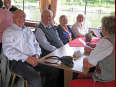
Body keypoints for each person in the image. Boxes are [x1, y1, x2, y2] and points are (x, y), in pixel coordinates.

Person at [69, 16, 115, 87]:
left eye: (102, 26)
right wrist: (92, 50)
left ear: (105, 28)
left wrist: (83, 58)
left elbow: (87, 64)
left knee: (73, 82)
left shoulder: (105, 42)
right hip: (111, 74)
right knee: (81, 73)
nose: (101, 28)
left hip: (106, 80)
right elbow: (107, 53)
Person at [2, 9, 42, 87]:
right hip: (17, 62)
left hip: (34, 58)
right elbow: (8, 51)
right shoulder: (8, 32)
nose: (21, 18)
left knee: (52, 70)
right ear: (13, 18)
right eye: (18, 16)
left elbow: (36, 44)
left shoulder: (28, 30)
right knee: (35, 78)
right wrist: (26, 58)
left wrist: (37, 54)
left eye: (23, 16)